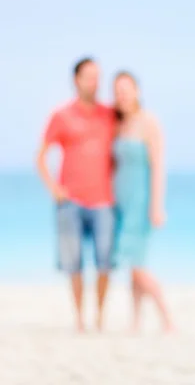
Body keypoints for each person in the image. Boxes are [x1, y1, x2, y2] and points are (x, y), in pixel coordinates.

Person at [37, 57, 116, 332]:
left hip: (104, 200)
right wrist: (55, 189)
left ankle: (100, 318)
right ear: (76, 80)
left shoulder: (109, 114)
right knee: (74, 265)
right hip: (70, 202)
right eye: (89, 77)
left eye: (98, 77)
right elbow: (41, 157)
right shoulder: (62, 116)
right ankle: (80, 320)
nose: (95, 83)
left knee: (105, 261)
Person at [111, 71, 173, 333]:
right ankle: (136, 321)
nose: (122, 95)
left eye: (126, 89)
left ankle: (167, 319)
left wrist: (157, 206)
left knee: (136, 266)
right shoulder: (119, 124)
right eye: (117, 91)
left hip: (141, 202)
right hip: (120, 202)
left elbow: (158, 166)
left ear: (137, 90)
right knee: (133, 265)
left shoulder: (149, 122)